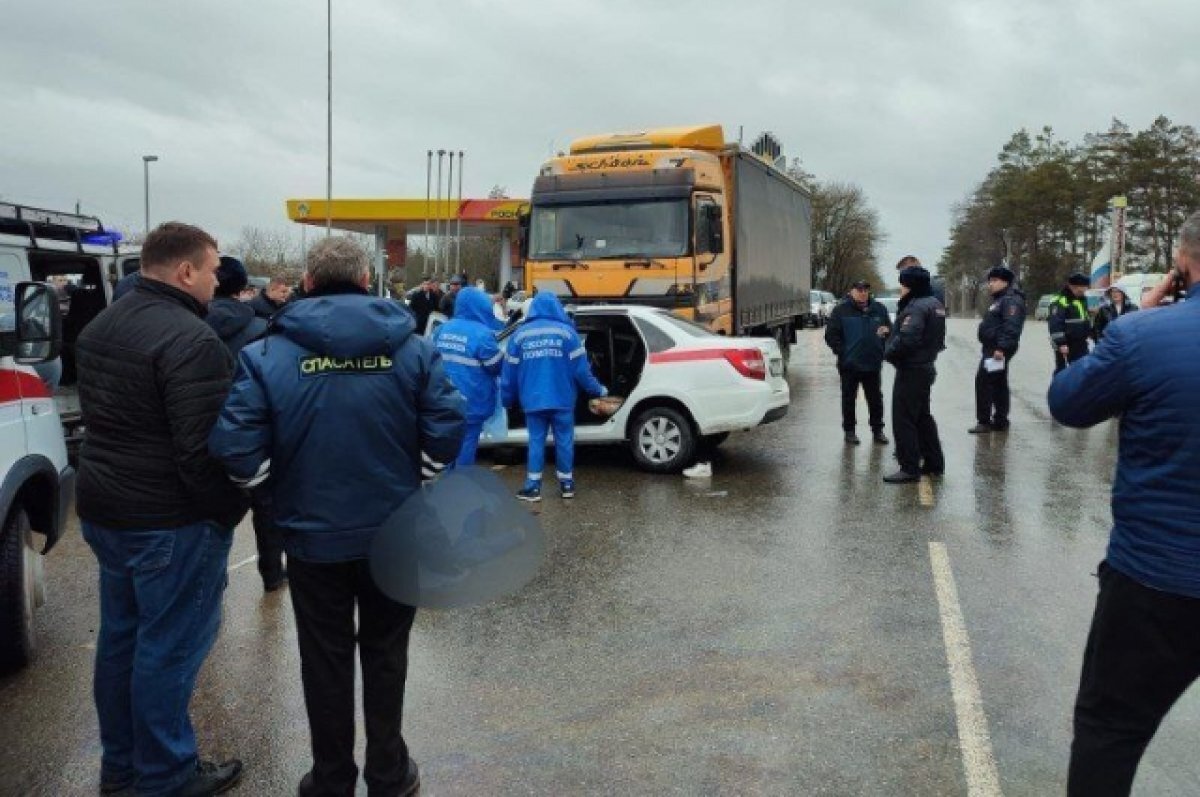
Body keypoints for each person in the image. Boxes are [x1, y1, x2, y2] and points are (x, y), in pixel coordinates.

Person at [210, 236, 463, 797]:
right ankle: (389, 774)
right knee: (385, 653)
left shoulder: (267, 352)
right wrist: (419, 478)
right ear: (368, 282)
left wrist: (274, 498)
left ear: (306, 284)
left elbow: (235, 446)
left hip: (311, 538)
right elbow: (448, 424)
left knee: (323, 661)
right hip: (393, 533)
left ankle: (331, 778)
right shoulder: (414, 347)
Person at [75, 222, 248, 797]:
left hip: (108, 512)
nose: (218, 279)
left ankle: (120, 769)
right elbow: (203, 452)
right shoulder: (191, 341)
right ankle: (166, 775)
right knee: (167, 649)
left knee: (122, 644)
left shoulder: (103, 323)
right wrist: (227, 511)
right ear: (185, 271)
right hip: (169, 522)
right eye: (214, 268)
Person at [1048, 211, 1200, 797]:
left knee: (1110, 729)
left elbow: (1068, 402)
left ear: (1183, 265)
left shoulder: (1143, 336)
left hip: (1156, 583)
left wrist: (1134, 320)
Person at [204, 255, 286, 593]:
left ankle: (211, 580)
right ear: (243, 288)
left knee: (209, 510)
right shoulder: (262, 329)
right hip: (255, 431)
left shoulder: (189, 325)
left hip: (202, 430)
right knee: (266, 506)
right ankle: (272, 571)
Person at [501, 292, 607, 501]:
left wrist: (507, 399)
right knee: (565, 441)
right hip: (563, 399)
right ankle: (567, 485)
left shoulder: (520, 335)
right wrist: (598, 390)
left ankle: (533, 487)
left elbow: (509, 374)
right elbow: (581, 371)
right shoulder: (568, 334)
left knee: (536, 442)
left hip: (533, 400)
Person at [882, 265, 946, 483]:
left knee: (904, 420)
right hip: (926, 366)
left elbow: (908, 339)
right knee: (922, 418)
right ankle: (934, 463)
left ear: (911, 286)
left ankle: (909, 467)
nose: (901, 290)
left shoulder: (916, 307)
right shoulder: (936, 304)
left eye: (903, 285)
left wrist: (888, 352)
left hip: (911, 369)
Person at [432, 286, 504, 467]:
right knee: (467, 445)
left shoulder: (442, 329)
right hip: (472, 401)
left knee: (449, 446)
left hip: (444, 400)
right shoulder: (483, 334)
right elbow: (496, 367)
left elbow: (429, 361)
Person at [824, 279, 891, 445]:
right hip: (849, 365)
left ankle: (878, 430)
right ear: (852, 291)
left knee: (875, 399)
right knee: (848, 398)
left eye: (865, 289)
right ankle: (850, 431)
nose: (862, 292)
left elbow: (890, 330)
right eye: (859, 289)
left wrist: (886, 334)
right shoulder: (841, 310)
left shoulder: (879, 309)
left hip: (872, 363)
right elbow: (831, 335)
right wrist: (843, 353)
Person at [969, 266, 1026, 434]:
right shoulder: (1000, 299)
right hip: (994, 347)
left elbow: (1012, 326)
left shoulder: (1010, 300)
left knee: (984, 382)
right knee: (999, 383)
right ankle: (1001, 420)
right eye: (989, 281)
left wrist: (1001, 347)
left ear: (1005, 282)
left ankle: (984, 421)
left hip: (997, 349)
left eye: (994, 281)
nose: (990, 284)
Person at [1048, 273, 1092, 372]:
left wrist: (1089, 332)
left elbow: (1084, 319)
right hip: (1066, 344)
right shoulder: (1060, 300)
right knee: (1062, 371)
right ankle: (1058, 387)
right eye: (1084, 287)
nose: (1085, 290)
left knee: (1082, 370)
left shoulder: (1082, 300)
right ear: (1075, 287)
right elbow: (1055, 324)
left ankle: (1078, 387)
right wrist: (1061, 343)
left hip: (1080, 343)